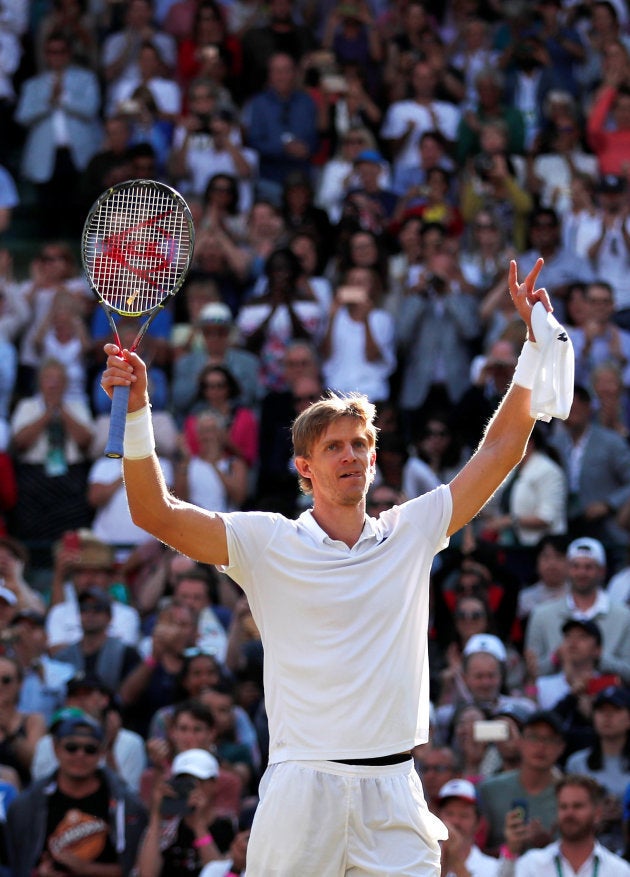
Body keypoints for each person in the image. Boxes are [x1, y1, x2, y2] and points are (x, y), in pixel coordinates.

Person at [101, 257, 564, 875]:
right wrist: (136, 412)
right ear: (305, 467)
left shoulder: (414, 528)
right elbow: (154, 512)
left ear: (374, 460)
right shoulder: (265, 541)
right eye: (334, 447)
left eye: (360, 445)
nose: (350, 455)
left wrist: (533, 353)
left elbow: (503, 446)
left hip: (396, 790)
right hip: (302, 792)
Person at [5, 712, 147, 877]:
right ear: (56, 749)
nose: (80, 755)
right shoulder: (26, 807)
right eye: (71, 748)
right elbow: (17, 865)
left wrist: (86, 870)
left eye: (90, 749)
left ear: (101, 752)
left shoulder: (127, 806)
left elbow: (137, 869)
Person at [525, 537, 630, 682]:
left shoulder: (624, 616)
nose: (581, 573)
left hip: (608, 699)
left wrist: (597, 657)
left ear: (602, 571)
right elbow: (531, 672)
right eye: (575, 566)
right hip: (553, 698)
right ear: (568, 569)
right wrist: (556, 658)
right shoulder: (541, 614)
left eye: (589, 567)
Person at [505, 774, 630, 876]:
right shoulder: (532, 864)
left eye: (577, 806)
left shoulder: (619, 871)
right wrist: (511, 850)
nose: (569, 814)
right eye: (563, 807)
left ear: (597, 814)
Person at [478, 709, 565, 854]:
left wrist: (548, 845)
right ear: (520, 742)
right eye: (533, 737)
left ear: (561, 747)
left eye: (549, 739)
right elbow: (475, 855)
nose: (540, 746)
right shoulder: (489, 790)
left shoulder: (570, 796)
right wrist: (511, 847)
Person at [437, 778, 500, 876]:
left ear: (478, 823)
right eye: (449, 814)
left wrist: (456, 860)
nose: (455, 822)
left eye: (464, 815)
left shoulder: (493, 868)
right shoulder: (421, 858)